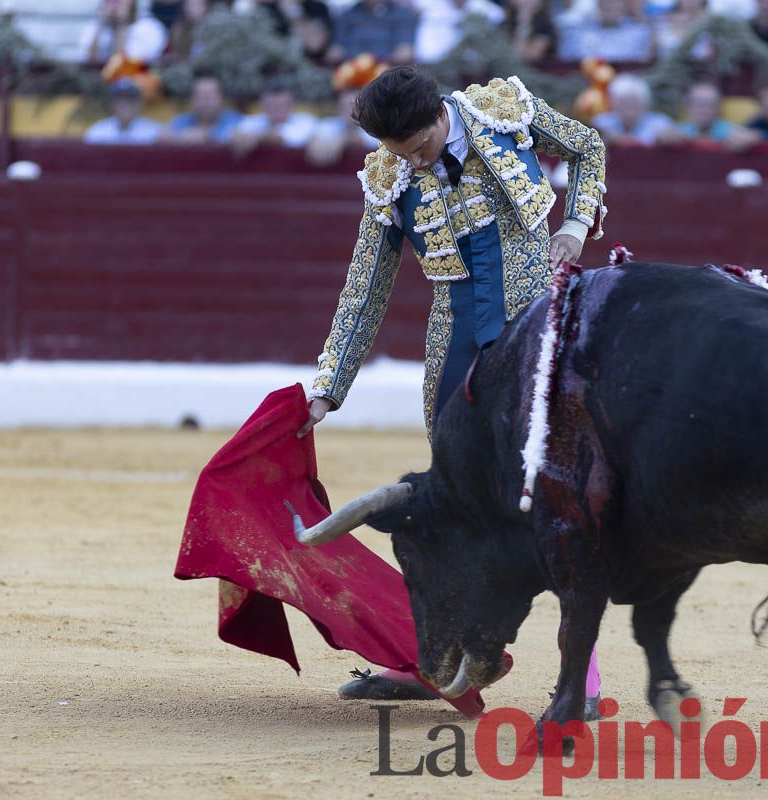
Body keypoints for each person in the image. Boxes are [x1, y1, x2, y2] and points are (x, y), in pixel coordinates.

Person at [298, 66, 607, 711]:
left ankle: (580, 672)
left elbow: (587, 147)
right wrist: (330, 386)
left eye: (419, 145)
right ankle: (446, 658)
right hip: (455, 350)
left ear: (442, 113)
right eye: (399, 151)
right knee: (453, 503)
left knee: (550, 495)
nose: (411, 160)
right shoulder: (388, 175)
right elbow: (367, 284)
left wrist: (576, 223)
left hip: (534, 333)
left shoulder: (503, 112)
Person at [231, 76, 318, 156]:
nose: (276, 110)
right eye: (271, 105)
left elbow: (282, 139)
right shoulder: (252, 121)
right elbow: (236, 135)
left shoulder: (306, 122)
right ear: (262, 104)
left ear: (292, 105)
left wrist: (257, 137)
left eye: (281, 106)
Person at [591, 73, 678, 145]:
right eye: (623, 106)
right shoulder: (601, 124)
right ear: (613, 106)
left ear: (644, 105)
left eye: (633, 106)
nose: (628, 112)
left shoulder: (661, 124)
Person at [673, 80, 761, 150]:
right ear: (689, 108)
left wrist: (749, 138)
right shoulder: (682, 131)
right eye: (699, 104)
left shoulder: (728, 130)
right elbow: (665, 135)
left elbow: (753, 135)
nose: (704, 110)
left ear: (718, 109)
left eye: (710, 105)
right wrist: (666, 137)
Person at [325, 0, 417, 64]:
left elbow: (405, 51)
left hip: (388, 77)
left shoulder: (403, 15)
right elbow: (335, 51)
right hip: (352, 76)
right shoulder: (347, 15)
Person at [161, 72, 244, 143]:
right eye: (200, 96)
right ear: (192, 99)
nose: (205, 101)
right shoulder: (180, 122)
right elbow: (163, 138)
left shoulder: (237, 122)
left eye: (211, 95)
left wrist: (208, 135)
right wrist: (181, 137)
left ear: (221, 98)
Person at [413, 0, 505, 63]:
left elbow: (500, 16)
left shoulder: (482, 7)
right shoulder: (430, 6)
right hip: (437, 63)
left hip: (471, 65)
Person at [79, 0, 168, 64]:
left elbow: (127, 65)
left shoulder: (150, 27)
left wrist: (122, 25)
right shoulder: (95, 26)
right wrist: (101, 24)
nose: (116, 3)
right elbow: (89, 60)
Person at [84, 79, 164, 144]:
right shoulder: (97, 131)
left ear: (139, 104)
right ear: (112, 104)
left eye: (130, 100)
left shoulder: (155, 132)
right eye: (120, 100)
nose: (125, 105)